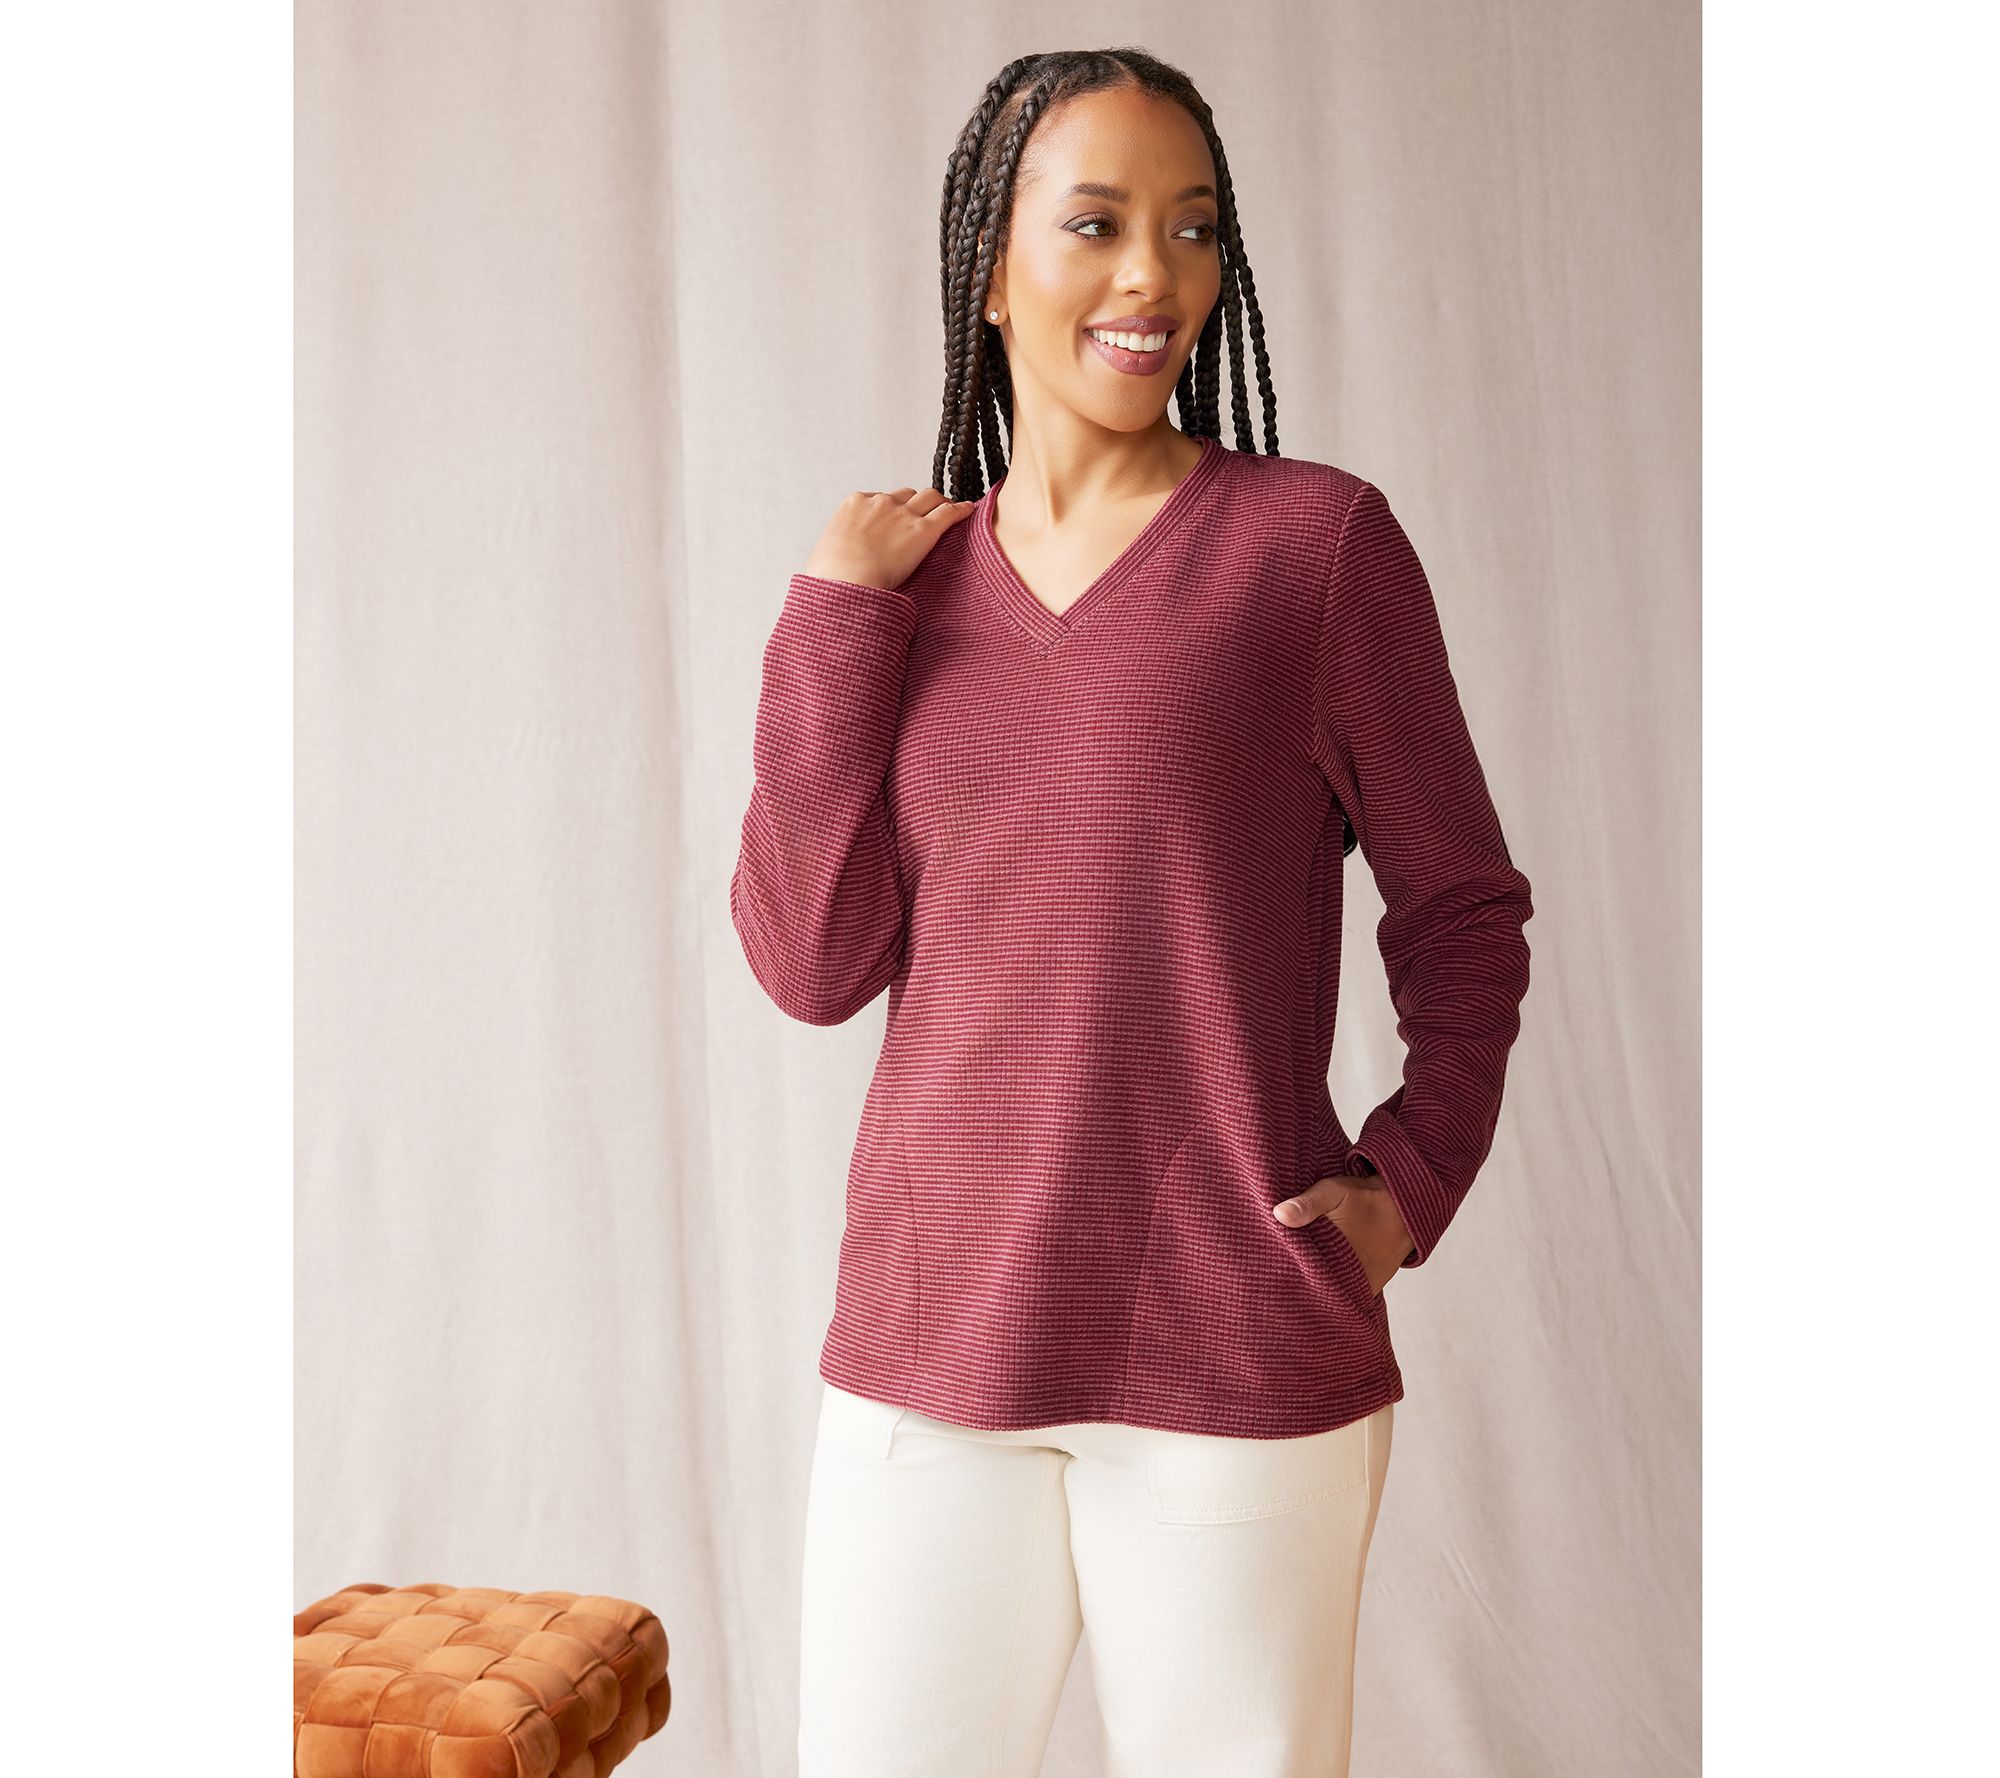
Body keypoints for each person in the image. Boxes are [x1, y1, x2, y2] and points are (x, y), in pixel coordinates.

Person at [730, 47, 1535, 1778]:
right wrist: (831, 627)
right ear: (989, 267)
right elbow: (811, 963)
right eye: (1095, 224)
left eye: (1193, 228)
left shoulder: (1313, 553)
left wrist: (1409, 1185)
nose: (1152, 276)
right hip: (929, 1350)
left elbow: (1464, 909)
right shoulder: (899, 596)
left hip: (1230, 1358)